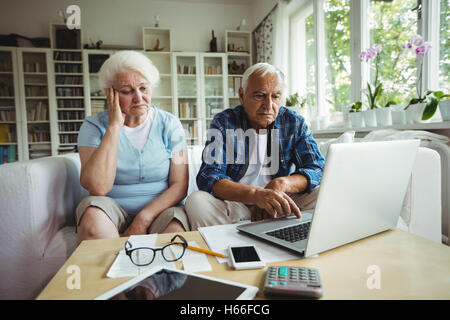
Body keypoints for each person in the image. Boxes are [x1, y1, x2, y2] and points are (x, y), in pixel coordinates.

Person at [185, 62, 325, 230]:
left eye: (275, 97)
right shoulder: (224, 122)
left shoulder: (293, 122)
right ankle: (230, 243)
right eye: (259, 95)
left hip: (279, 203)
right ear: (242, 95)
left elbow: (316, 167)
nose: (268, 105)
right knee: (197, 201)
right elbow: (209, 176)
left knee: (324, 194)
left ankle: (285, 234)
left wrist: (282, 184)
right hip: (238, 205)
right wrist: (256, 195)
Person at [75, 51, 189, 245]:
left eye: (144, 88)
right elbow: (98, 187)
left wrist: (143, 218)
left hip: (159, 210)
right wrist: (113, 127)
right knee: (93, 221)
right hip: (110, 208)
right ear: (109, 93)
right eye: (127, 91)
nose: (139, 98)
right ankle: (114, 275)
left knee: (175, 235)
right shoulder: (93, 126)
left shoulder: (171, 125)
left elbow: (180, 185)